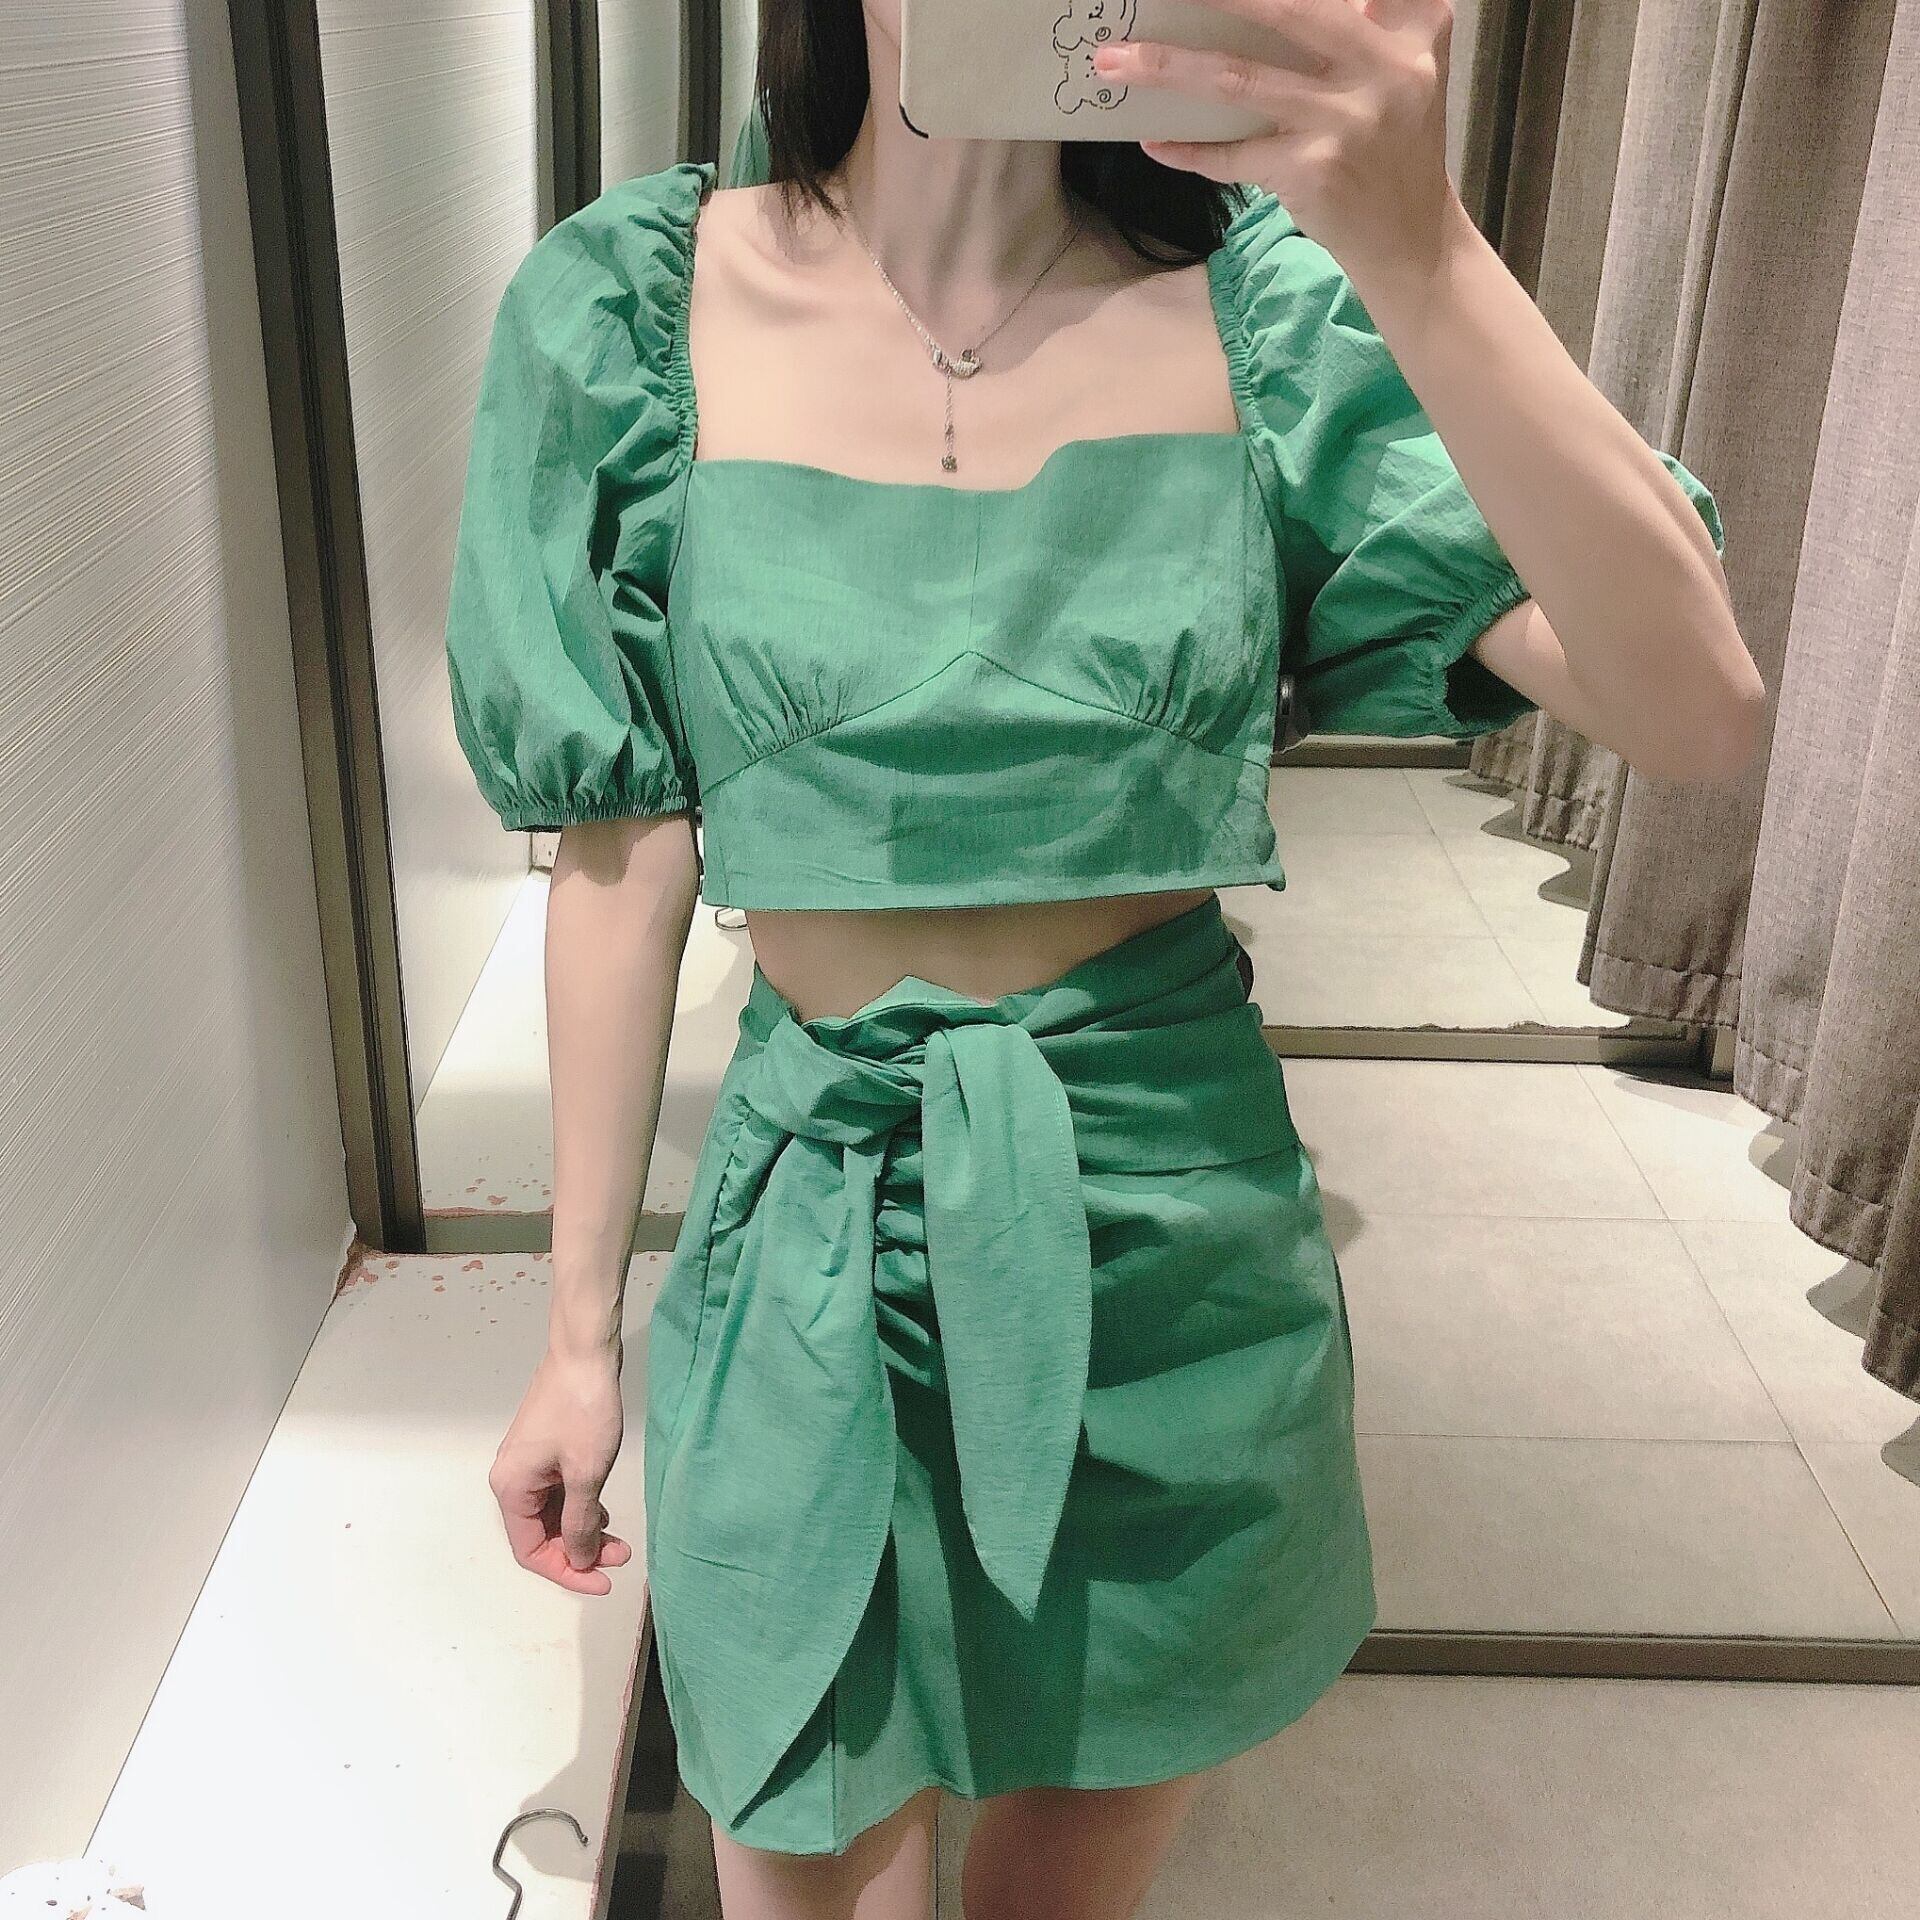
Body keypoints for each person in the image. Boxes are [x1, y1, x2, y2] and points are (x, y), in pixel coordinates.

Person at [444, 1, 1761, 1913]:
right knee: (796, 1842)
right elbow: (619, 843)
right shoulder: (629, 307)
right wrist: (576, 1339)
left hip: (1171, 1247)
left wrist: (1421, 247)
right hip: (813, 1237)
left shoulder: (1273, 312)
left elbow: (1695, 708)